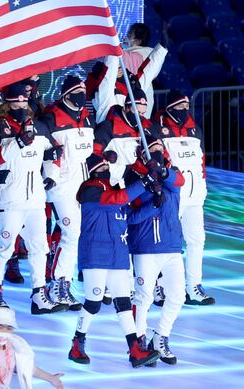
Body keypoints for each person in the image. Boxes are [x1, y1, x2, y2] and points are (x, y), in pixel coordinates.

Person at [67, 153, 160, 368]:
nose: (107, 169)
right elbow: (119, 200)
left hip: (117, 254)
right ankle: (76, 343)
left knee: (124, 304)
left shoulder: (114, 192)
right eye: (103, 167)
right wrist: (144, 183)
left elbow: (130, 216)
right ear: (94, 171)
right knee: (93, 302)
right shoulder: (91, 190)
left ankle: (135, 349)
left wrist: (154, 205)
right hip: (96, 254)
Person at [0, 82, 63, 315]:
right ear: (6, 103)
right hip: (9, 197)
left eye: (24, 101)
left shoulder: (37, 126)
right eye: (16, 101)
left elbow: (54, 152)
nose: (21, 105)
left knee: (40, 247)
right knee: (4, 246)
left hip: (36, 197)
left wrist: (51, 177)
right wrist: (17, 142)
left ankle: (39, 293)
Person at [128, 138, 186, 366]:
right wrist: (151, 198)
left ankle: (160, 336)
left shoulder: (171, 172)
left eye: (161, 149)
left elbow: (178, 182)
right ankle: (139, 343)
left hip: (172, 245)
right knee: (143, 297)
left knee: (178, 295)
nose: (158, 153)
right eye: (153, 150)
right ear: (142, 153)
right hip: (146, 246)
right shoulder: (132, 176)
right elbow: (130, 216)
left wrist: (161, 173)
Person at [39, 75, 94, 310]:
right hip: (61, 187)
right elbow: (43, 151)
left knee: (73, 235)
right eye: (77, 91)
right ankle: (57, 284)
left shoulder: (86, 117)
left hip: (83, 185)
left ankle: (63, 283)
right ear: (66, 94)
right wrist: (49, 176)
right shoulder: (51, 117)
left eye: (84, 90)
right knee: (71, 233)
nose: (82, 95)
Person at [156, 90, 215, 305]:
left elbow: (201, 163)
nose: (185, 110)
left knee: (197, 240)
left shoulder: (194, 129)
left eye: (187, 106)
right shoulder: (158, 127)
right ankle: (160, 286)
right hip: (172, 196)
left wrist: (202, 187)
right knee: (167, 242)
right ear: (170, 107)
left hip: (194, 197)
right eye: (180, 106)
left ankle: (194, 286)